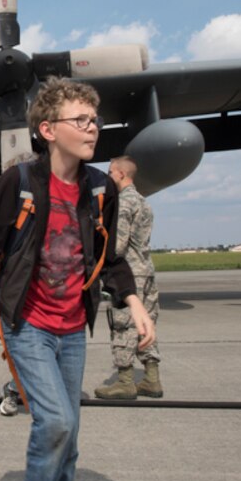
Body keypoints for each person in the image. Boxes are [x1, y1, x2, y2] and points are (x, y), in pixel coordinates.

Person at [0, 77, 155, 481]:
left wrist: (134, 302)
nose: (92, 128)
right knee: (55, 424)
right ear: (48, 129)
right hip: (28, 325)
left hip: (73, 329)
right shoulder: (18, 183)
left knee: (69, 438)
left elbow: (109, 257)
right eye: (80, 120)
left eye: (94, 119)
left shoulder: (100, 188)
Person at [94, 155, 162, 399]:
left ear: (121, 174)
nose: (109, 176)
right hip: (146, 269)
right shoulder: (144, 202)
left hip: (129, 275)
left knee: (123, 323)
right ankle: (152, 378)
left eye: (111, 172)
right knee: (146, 324)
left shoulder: (123, 203)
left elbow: (117, 245)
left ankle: (125, 381)